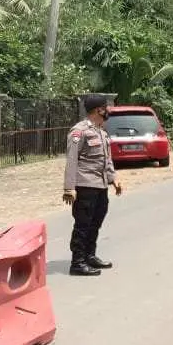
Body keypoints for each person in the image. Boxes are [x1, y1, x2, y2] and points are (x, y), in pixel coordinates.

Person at [63, 94, 123, 276]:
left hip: (100, 185)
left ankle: (90, 255)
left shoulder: (101, 132)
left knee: (96, 222)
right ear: (99, 110)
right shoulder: (79, 131)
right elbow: (71, 160)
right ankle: (77, 262)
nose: (109, 110)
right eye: (106, 107)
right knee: (83, 224)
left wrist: (113, 178)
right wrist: (69, 188)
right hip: (85, 185)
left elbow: (106, 160)